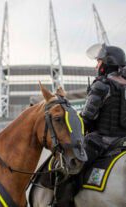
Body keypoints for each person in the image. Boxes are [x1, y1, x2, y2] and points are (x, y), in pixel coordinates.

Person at [53, 44, 126, 207]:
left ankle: (62, 202)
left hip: (102, 140)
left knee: (68, 167)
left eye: (99, 61)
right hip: (123, 141)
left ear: (107, 62)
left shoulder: (102, 85)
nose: (96, 65)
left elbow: (86, 118)